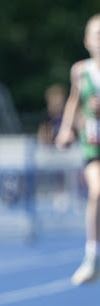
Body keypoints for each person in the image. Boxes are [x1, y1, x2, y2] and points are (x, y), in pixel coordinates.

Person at [55, 14, 100, 285]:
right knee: (97, 191)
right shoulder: (81, 71)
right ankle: (92, 255)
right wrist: (66, 128)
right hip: (93, 145)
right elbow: (74, 100)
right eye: (97, 35)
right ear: (86, 41)